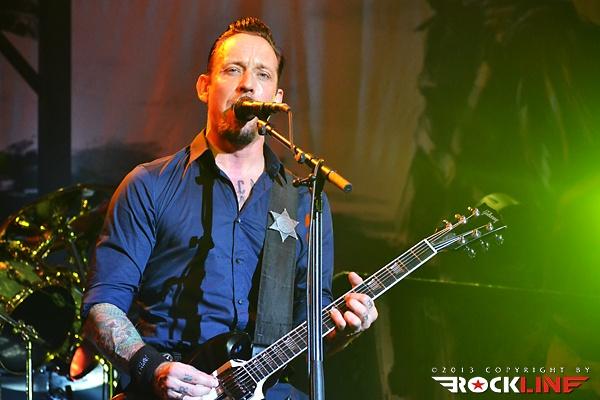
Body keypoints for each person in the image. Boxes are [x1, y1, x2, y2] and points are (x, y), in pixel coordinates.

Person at [82, 17, 378, 400]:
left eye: (262, 74)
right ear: (205, 86)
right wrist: (152, 369)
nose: (248, 84)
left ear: (276, 97)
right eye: (233, 69)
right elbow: (102, 306)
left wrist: (344, 330)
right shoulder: (148, 185)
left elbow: (309, 339)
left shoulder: (305, 200)